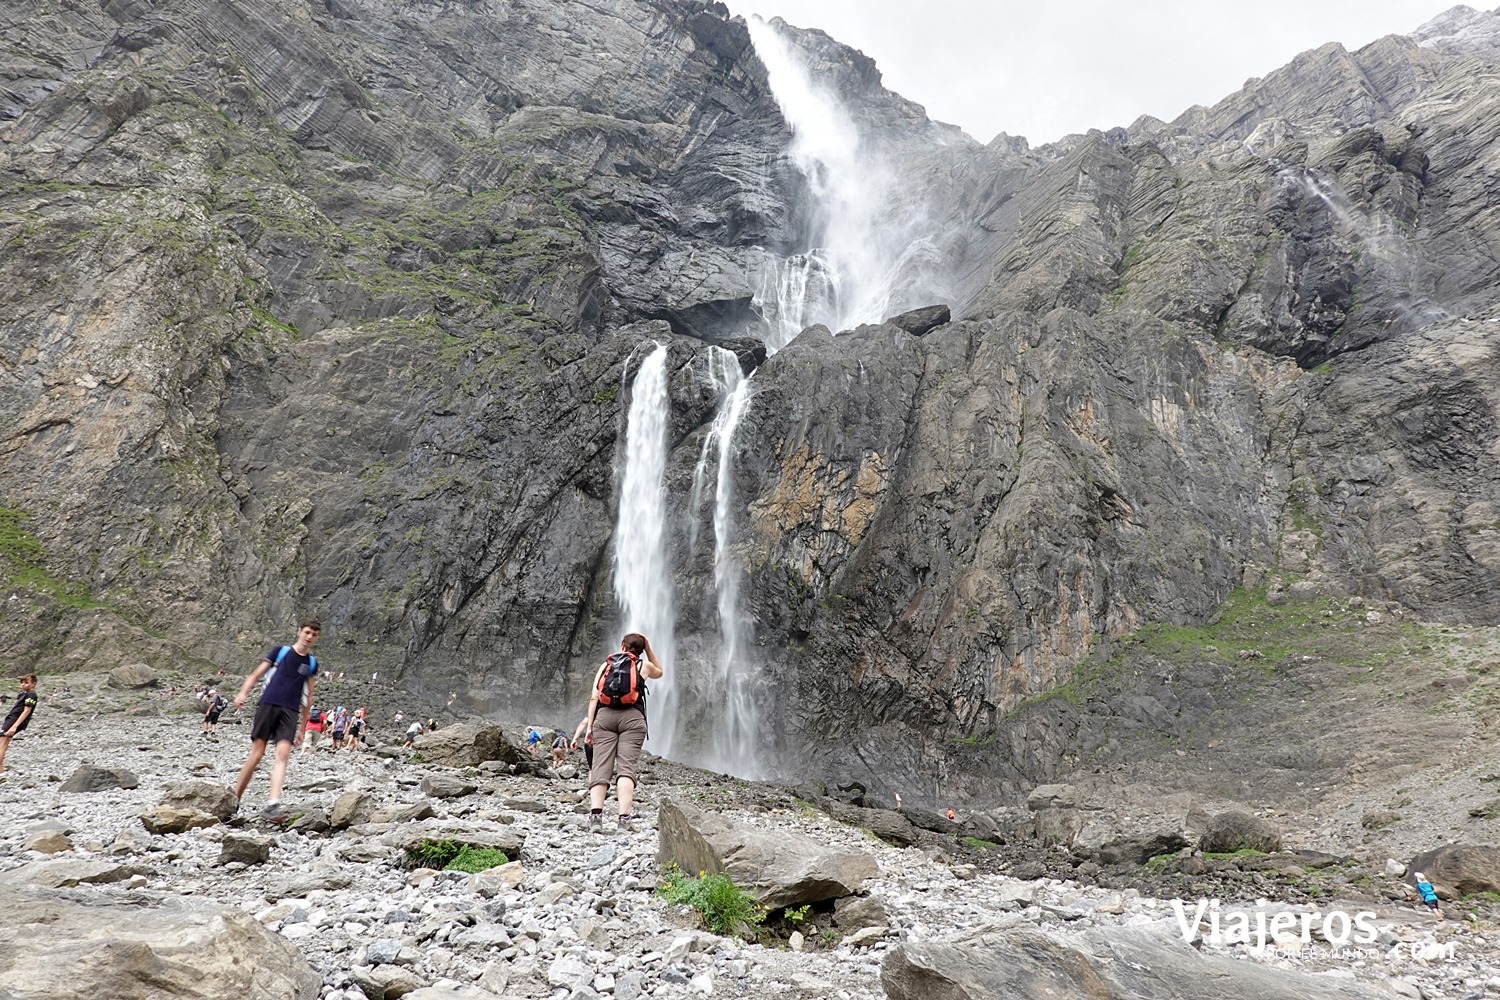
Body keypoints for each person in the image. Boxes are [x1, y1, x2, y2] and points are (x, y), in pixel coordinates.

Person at [231, 619, 320, 819]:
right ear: (299, 631)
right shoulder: (280, 651)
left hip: (290, 711)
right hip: (268, 704)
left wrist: (302, 727)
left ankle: (272, 803)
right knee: (257, 754)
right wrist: (242, 693)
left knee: (283, 754)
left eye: (314, 635)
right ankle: (234, 799)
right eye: (307, 632)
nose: (309, 637)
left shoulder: (311, 664)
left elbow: (308, 698)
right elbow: (255, 675)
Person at [584, 633, 662, 833]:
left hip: (604, 718)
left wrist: (590, 727)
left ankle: (595, 817)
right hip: (632, 719)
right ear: (641, 650)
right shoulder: (643, 666)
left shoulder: (605, 666)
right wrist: (649, 648)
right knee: (626, 768)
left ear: (622, 646)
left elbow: (594, 699)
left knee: (600, 766)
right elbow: (660, 672)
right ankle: (624, 820)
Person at [0, 675, 39, 777]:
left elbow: (27, 711)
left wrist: (14, 726)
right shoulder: (22, 694)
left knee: (2, 745)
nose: (23, 685)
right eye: (22, 682)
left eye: (26, 683)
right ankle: (1, 774)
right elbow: (16, 707)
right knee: (2, 745)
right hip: (11, 719)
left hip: (14, 721)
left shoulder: (31, 695)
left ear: (33, 684)